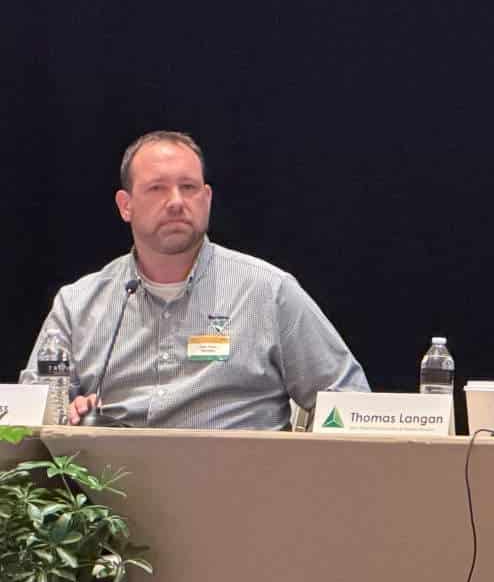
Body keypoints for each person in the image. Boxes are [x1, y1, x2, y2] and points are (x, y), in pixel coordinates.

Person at [20, 131, 368, 430]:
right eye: (157, 188)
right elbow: (28, 417)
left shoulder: (268, 291)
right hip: (114, 484)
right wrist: (66, 414)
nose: (175, 202)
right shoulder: (77, 303)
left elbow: (348, 400)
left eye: (188, 187)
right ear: (125, 206)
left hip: (241, 481)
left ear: (207, 198)